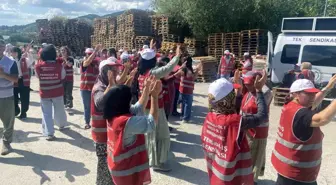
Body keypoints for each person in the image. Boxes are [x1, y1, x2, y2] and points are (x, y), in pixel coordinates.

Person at [201, 70, 268, 185]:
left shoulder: (210, 117)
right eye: (233, 93)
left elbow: (232, 107)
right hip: (230, 177)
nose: (235, 94)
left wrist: (239, 92)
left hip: (216, 173)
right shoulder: (234, 122)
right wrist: (259, 91)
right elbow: (262, 116)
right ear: (228, 99)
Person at [271, 77, 336, 185]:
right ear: (296, 94)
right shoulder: (301, 114)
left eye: (313, 93)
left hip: (286, 170)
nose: (313, 96)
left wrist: (328, 87)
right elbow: (322, 119)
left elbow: (313, 102)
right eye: (308, 94)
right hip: (298, 176)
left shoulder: (290, 106)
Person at [133, 40, 181, 171]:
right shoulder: (153, 73)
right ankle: (156, 163)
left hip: (145, 108)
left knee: (150, 135)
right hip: (155, 108)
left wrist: (152, 48)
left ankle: (151, 159)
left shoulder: (141, 72)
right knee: (160, 134)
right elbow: (168, 68)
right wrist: (177, 56)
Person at [103, 76, 160, 185]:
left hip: (118, 167)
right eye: (129, 100)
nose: (130, 102)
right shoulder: (124, 122)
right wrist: (154, 97)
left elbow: (138, 108)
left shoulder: (112, 115)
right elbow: (151, 123)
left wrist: (146, 89)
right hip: (126, 171)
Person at [240, 71, 273, 184]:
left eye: (249, 84)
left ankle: (252, 180)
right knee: (247, 156)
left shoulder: (265, 93)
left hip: (257, 132)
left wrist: (260, 86)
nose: (247, 86)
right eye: (246, 84)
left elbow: (261, 113)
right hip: (247, 131)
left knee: (254, 158)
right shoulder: (249, 92)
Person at [35, 44, 68, 141]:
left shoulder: (38, 66)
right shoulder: (59, 66)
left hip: (44, 94)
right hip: (57, 92)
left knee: (47, 113)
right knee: (59, 110)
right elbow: (63, 77)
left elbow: (37, 77)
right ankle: (61, 125)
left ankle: (50, 133)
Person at [0, 40, 18, 155]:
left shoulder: (10, 62)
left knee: (8, 122)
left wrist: (3, 75)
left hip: (6, 97)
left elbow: (16, 79)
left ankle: (6, 143)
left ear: (2, 48)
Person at [173, 56, 201, 123]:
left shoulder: (183, 69)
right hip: (189, 90)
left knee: (183, 103)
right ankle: (185, 118)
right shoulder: (189, 70)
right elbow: (193, 78)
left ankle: (182, 116)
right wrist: (197, 70)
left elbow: (176, 75)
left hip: (182, 89)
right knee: (187, 104)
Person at [80, 45, 101, 129]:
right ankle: (87, 122)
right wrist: (95, 51)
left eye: (91, 54)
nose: (89, 55)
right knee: (87, 106)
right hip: (85, 88)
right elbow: (87, 62)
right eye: (88, 54)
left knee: (96, 106)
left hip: (95, 88)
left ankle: (96, 122)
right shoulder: (84, 62)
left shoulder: (97, 63)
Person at [12, 46, 33, 119]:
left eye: (14, 52)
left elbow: (31, 61)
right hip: (14, 81)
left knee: (24, 98)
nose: (13, 54)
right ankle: (16, 110)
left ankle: (23, 112)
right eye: (12, 52)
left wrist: (28, 53)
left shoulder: (25, 59)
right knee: (14, 97)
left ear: (18, 53)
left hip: (23, 81)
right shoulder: (11, 60)